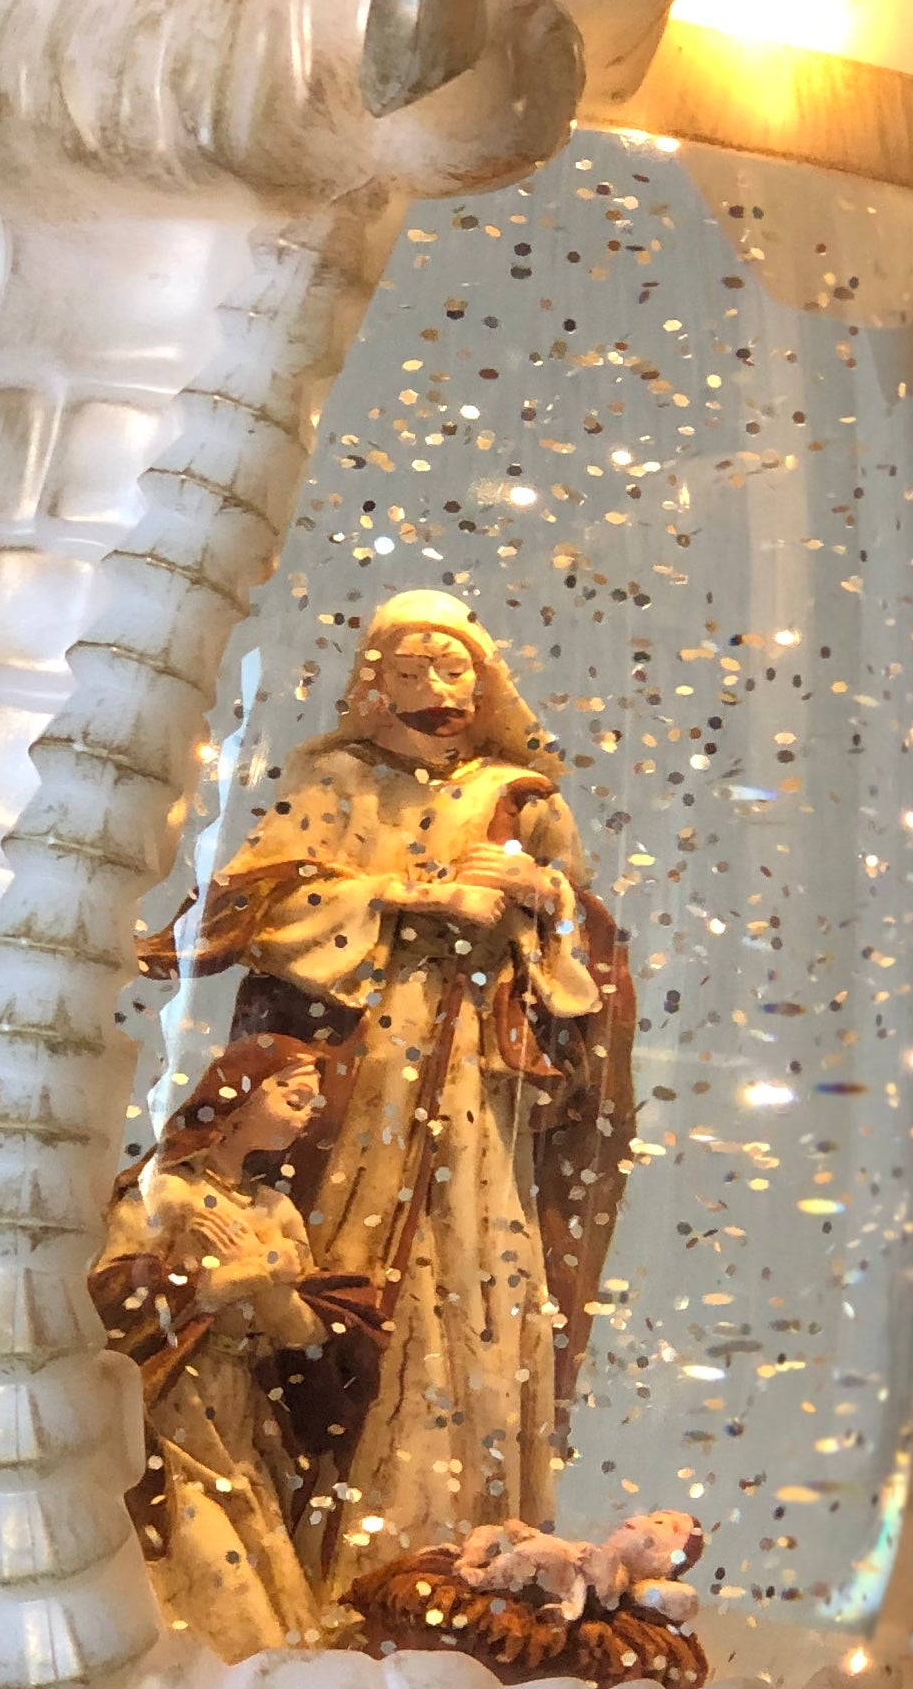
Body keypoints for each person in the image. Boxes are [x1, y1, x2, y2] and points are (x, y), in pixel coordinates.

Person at [135, 591, 633, 1585]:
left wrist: (544, 905)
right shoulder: (336, 779)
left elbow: (584, 954)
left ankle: (471, 1540)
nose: (435, 692)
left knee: (477, 1264)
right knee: (350, 1255)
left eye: (454, 673)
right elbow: (258, 897)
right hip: (361, 1075)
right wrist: (406, 892)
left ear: (485, 685)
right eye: (409, 672)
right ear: (372, 686)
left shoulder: (521, 798)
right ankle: (324, 1545)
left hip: (476, 1080)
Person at [87, 1035, 385, 1663]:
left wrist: (267, 1281)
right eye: (295, 1095)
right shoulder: (167, 1192)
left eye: (313, 1103)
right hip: (172, 1406)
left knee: (254, 1533)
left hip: (244, 1408)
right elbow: (110, 1299)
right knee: (198, 1551)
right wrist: (226, 1281)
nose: (307, 1112)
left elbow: (305, 1333)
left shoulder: (276, 1210)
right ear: (238, 1097)